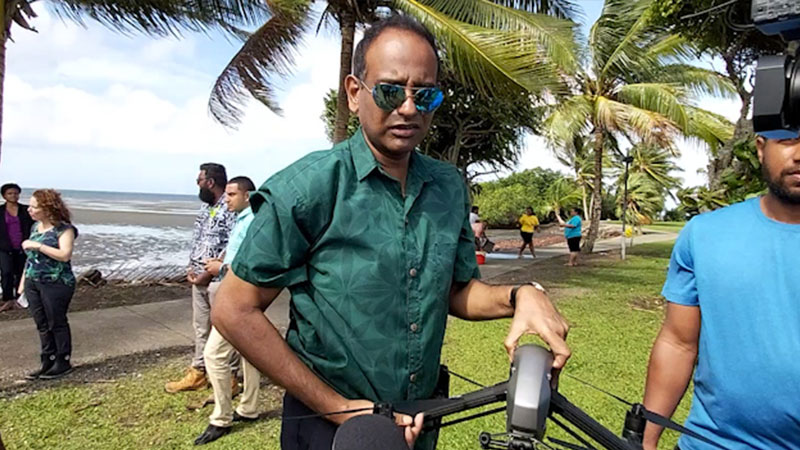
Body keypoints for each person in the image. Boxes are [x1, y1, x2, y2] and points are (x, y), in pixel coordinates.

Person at [211, 15, 570, 450]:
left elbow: (456, 291)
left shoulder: (447, 186)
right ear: (354, 92)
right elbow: (233, 309)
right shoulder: (308, 189)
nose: (409, 108)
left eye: (426, 94)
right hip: (331, 428)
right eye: (390, 91)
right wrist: (339, 408)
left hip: (419, 419)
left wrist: (521, 295)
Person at [642, 135, 800, 450]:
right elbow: (678, 343)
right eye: (787, 139)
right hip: (713, 443)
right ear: (760, 148)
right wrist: (644, 440)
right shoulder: (705, 234)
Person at [194, 176, 261, 445]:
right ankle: (249, 407)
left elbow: (254, 262)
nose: (227, 199)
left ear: (247, 196)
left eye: (232, 194)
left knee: (213, 354)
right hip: (237, 292)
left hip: (240, 296)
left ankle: (221, 418)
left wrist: (220, 268)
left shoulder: (253, 220)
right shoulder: (241, 219)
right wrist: (221, 262)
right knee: (250, 352)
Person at [165, 163, 236, 393]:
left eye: (199, 180)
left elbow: (232, 244)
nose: (197, 184)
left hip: (219, 279)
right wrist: (191, 268)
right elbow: (198, 240)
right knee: (201, 327)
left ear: (210, 182)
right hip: (199, 278)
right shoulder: (206, 208)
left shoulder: (229, 207)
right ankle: (199, 372)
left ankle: (230, 377)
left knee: (225, 328)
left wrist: (208, 272)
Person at [19, 189, 79, 380]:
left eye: (34, 207)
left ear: (47, 208)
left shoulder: (64, 229)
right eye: (29, 206)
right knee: (42, 324)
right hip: (33, 281)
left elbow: (64, 255)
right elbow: (31, 260)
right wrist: (22, 283)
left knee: (56, 322)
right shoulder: (35, 227)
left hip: (57, 282)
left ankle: (63, 360)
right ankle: (48, 359)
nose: (29, 210)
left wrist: (38, 246)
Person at [0, 183, 33, 312]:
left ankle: (20, 299)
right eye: (10, 193)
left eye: (15, 193)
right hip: (4, 247)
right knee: (6, 272)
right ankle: (7, 299)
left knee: (21, 273)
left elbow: (35, 224)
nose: (13, 196)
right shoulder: (0, 211)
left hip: (22, 247)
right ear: (4, 196)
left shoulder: (26, 210)